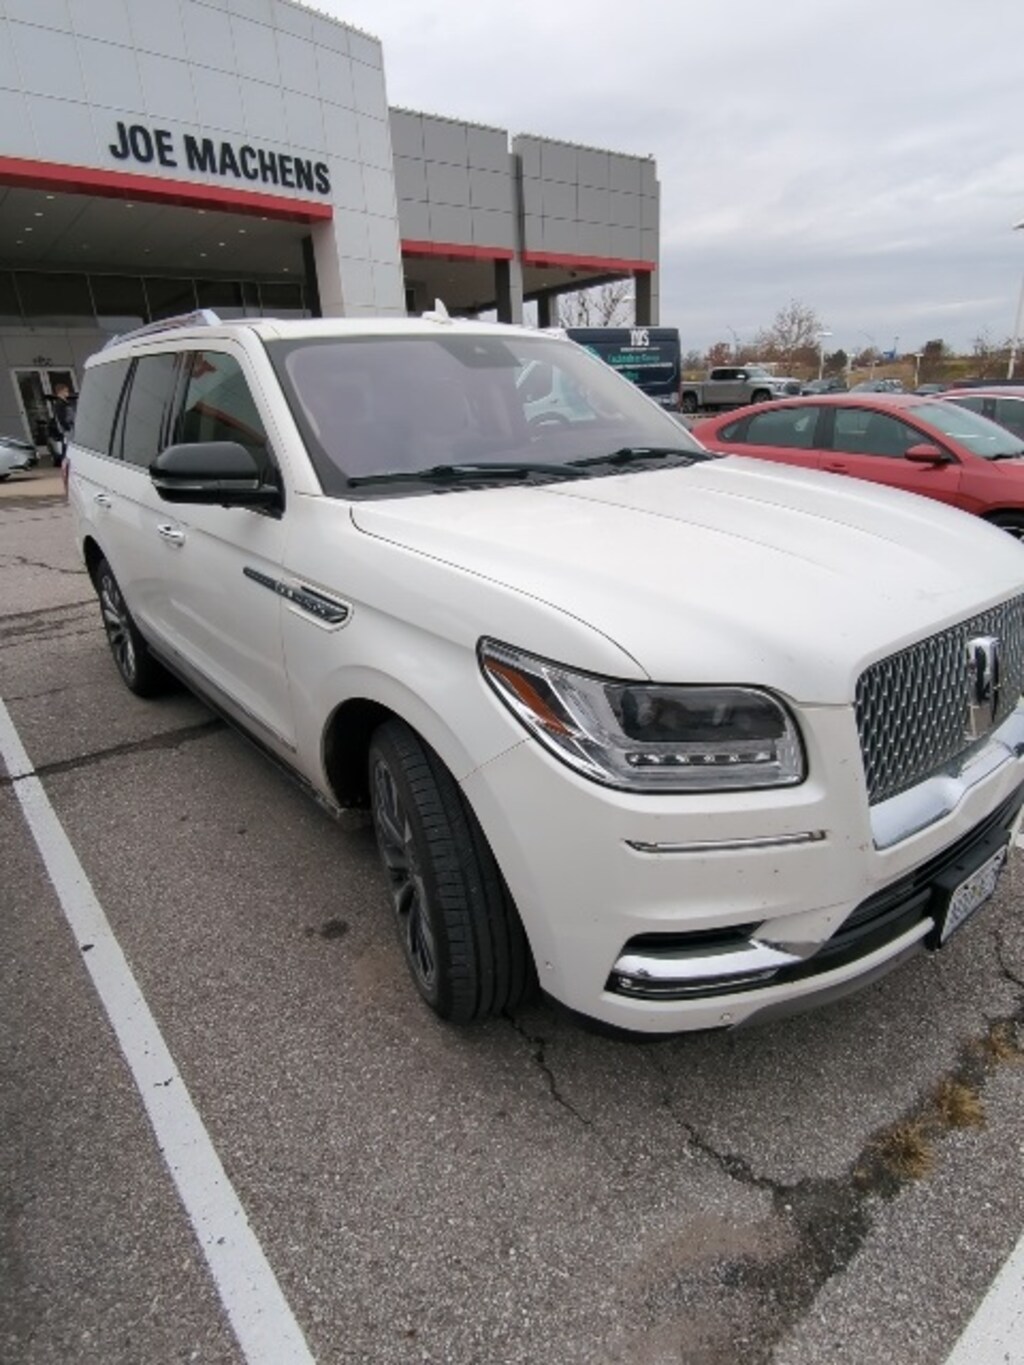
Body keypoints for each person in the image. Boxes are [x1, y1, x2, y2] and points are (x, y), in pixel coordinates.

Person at [47, 383, 77, 467]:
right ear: (60, 392)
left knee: (67, 446)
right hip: (67, 429)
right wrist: (66, 428)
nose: (67, 392)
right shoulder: (59, 404)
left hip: (69, 427)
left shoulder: (64, 403)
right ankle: (65, 463)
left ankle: (66, 462)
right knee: (67, 446)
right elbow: (61, 418)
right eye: (66, 391)